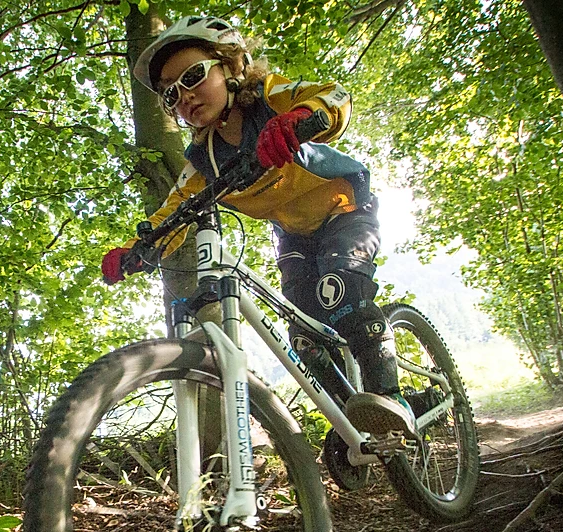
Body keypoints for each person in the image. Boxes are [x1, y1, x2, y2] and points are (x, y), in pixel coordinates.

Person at [101, 16, 416, 439]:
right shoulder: (203, 162)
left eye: (194, 76)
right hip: (293, 235)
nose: (185, 96)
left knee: (342, 293)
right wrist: (135, 250)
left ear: (231, 66)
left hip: (345, 209)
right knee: (305, 335)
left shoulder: (268, 98)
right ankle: (352, 421)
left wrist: (299, 117)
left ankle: (390, 397)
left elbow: (334, 97)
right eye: (170, 94)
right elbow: (171, 212)